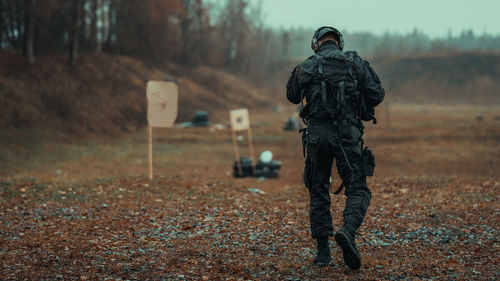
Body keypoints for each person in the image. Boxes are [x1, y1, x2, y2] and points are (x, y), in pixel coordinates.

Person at [286, 26, 385, 269]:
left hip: (318, 135)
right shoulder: (355, 62)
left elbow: (291, 95)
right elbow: (377, 95)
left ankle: (323, 253)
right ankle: (347, 232)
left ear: (315, 43)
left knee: (318, 188)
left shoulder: (307, 65)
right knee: (358, 188)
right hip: (347, 133)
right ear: (339, 43)